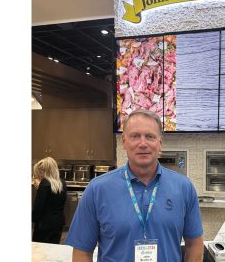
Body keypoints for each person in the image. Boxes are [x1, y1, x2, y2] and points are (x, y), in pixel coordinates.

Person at [65, 109, 204, 261]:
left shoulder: (184, 188)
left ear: (160, 143)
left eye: (150, 136)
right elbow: (82, 252)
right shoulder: (97, 190)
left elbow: (194, 245)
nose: (142, 143)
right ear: (124, 142)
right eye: (135, 136)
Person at [32, 157, 67, 244]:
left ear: (44, 171)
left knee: (40, 252)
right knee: (53, 249)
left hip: (44, 225)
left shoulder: (44, 183)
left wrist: (32, 219)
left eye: (39, 172)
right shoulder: (62, 183)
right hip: (58, 223)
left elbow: (38, 208)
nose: (39, 175)